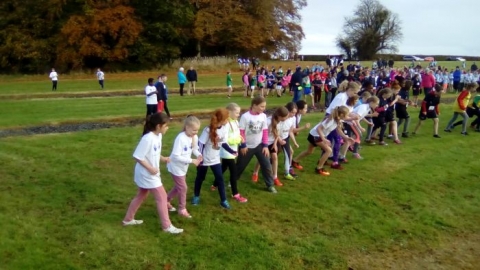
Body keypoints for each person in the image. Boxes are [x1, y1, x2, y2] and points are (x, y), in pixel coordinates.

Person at [122, 113, 183, 234]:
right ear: (158, 126)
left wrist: (162, 158)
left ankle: (128, 219)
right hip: (146, 174)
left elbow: (153, 153)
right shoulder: (147, 138)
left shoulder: (158, 136)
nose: (167, 128)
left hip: (150, 173)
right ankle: (167, 226)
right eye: (166, 126)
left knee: (142, 195)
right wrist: (150, 168)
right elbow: (138, 156)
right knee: (162, 197)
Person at [192, 109, 237, 209]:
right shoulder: (208, 130)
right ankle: (196, 196)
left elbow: (223, 143)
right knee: (200, 178)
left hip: (215, 159)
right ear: (222, 119)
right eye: (227, 118)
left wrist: (231, 151)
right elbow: (201, 144)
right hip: (204, 159)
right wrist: (200, 158)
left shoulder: (224, 128)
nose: (228, 120)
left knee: (220, 179)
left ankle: (223, 200)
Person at [292, 106, 353, 176]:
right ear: (342, 114)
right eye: (347, 115)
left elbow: (338, 130)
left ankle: (294, 161)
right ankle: (319, 168)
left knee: (309, 151)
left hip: (314, 134)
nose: (347, 116)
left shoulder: (337, 120)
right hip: (315, 135)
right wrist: (323, 139)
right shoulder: (331, 120)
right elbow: (319, 128)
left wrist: (346, 137)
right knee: (329, 150)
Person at [236, 96, 277, 193]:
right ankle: (233, 181)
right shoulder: (245, 117)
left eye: (264, 106)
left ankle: (270, 185)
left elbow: (265, 131)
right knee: (240, 166)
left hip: (260, 146)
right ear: (254, 105)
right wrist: (243, 145)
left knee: (267, 165)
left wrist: (265, 146)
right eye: (262, 106)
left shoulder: (263, 116)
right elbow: (241, 132)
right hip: (247, 146)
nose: (264, 108)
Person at [210, 103, 248, 203]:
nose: (238, 115)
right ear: (229, 112)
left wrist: (241, 139)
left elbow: (237, 133)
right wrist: (237, 140)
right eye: (236, 112)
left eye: (239, 113)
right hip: (227, 152)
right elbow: (225, 140)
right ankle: (235, 194)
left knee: (223, 168)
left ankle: (214, 184)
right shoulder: (226, 124)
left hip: (233, 151)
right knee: (233, 172)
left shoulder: (235, 121)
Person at [166, 115, 203, 219]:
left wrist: (198, 154)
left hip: (183, 167)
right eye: (194, 130)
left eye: (197, 130)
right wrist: (192, 161)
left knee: (179, 187)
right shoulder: (180, 138)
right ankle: (182, 209)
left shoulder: (194, 137)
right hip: (175, 166)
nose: (195, 132)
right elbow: (176, 156)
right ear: (187, 127)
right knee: (183, 188)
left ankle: (166, 200)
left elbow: (194, 148)